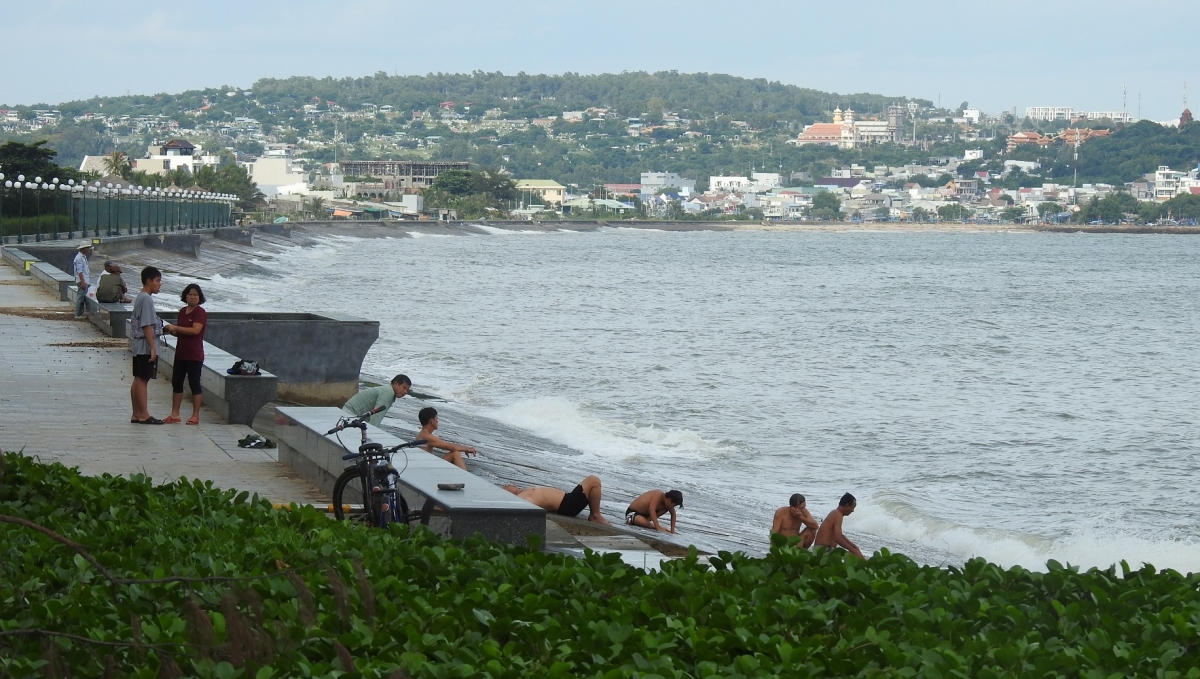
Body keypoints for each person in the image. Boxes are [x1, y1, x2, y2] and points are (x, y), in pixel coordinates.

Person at [128, 266, 176, 425]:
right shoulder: (147, 299)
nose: (159, 284)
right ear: (149, 281)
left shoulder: (140, 297)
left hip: (138, 345)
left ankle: (136, 414)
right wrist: (153, 348)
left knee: (138, 378)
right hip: (145, 346)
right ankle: (144, 414)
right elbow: (146, 325)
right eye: (158, 280)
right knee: (143, 379)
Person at [164, 283, 207, 425]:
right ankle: (174, 414)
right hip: (181, 353)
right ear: (185, 296)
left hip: (194, 354)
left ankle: (195, 415)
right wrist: (172, 330)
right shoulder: (182, 311)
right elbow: (181, 332)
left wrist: (176, 328)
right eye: (190, 294)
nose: (193, 297)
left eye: (195, 295)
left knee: (194, 383)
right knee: (177, 383)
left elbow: (195, 331)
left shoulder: (200, 312)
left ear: (199, 297)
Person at [502, 476, 612, 525]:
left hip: (567, 500)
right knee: (594, 481)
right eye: (505, 486)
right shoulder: (520, 498)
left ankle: (595, 515)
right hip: (567, 505)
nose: (509, 484)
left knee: (594, 480)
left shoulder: (524, 493)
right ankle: (595, 515)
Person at [341, 374, 412, 427]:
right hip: (349, 413)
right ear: (396, 383)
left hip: (350, 413)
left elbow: (372, 415)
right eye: (404, 388)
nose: (405, 392)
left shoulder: (388, 390)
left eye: (407, 390)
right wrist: (371, 432)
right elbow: (377, 416)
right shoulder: (388, 392)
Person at [813, 493, 865, 559]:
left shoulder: (836, 513)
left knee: (854, 551)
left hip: (825, 549)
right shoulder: (837, 514)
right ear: (847, 505)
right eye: (852, 507)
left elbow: (840, 536)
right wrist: (853, 550)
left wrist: (854, 547)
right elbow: (837, 538)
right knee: (853, 555)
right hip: (823, 550)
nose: (852, 511)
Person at [72, 241, 92, 318]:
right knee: (80, 297)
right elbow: (79, 271)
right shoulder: (79, 258)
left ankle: (80, 313)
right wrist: (83, 282)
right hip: (82, 280)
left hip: (85, 280)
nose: (88, 249)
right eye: (87, 248)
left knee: (82, 297)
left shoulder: (83, 257)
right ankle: (78, 314)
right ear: (83, 248)